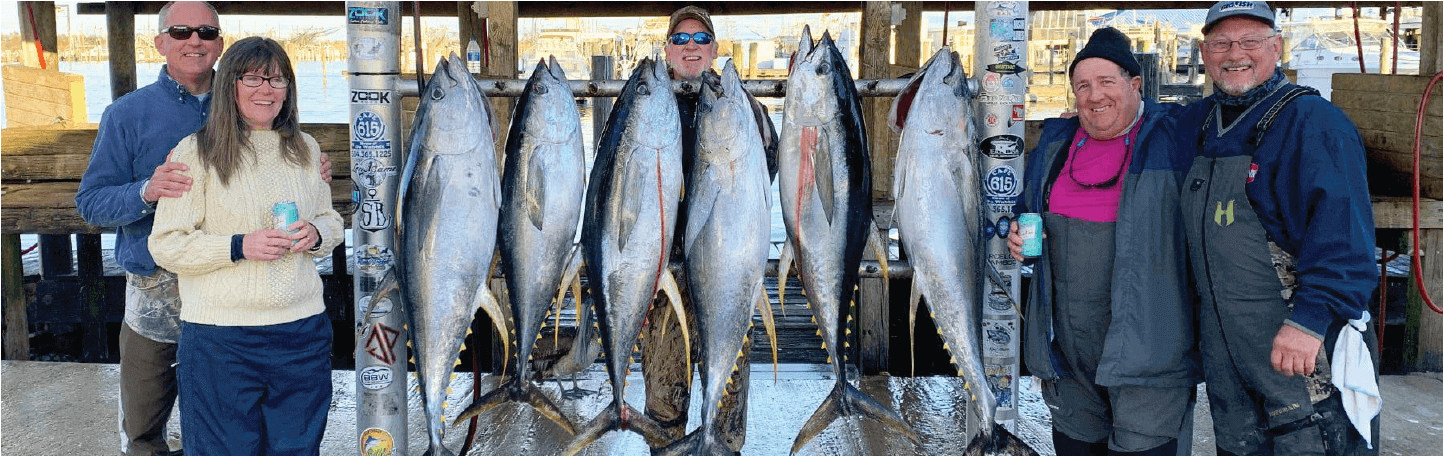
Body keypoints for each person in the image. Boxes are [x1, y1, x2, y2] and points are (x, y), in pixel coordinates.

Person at [1175, 2, 1381, 455]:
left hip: (1302, 344)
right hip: (1229, 350)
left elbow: (1345, 239)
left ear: (1277, 46)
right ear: (1205, 52)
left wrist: (1309, 321)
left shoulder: (1314, 123)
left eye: (1250, 42)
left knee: (1313, 442)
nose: (1235, 54)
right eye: (1222, 44)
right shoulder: (1200, 122)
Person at [1007, 27, 1199, 456]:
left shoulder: (1175, 136)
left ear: (1135, 85)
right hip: (1069, 356)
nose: (1095, 96)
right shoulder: (1056, 143)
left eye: (1107, 82)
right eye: (1083, 86)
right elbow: (1026, 204)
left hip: (1152, 354)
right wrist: (1018, 231)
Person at [148, 36, 343, 456]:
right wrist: (239, 246)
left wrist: (316, 234)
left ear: (289, 88)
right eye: (252, 78)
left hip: (302, 331)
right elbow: (166, 245)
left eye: (277, 79)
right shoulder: (194, 153)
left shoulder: (305, 150)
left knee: (297, 449)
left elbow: (331, 220)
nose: (266, 90)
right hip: (222, 339)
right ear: (229, 86)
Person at [639, 6, 775, 455]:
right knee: (663, 408)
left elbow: (768, 168)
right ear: (667, 50)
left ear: (714, 49)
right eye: (680, 39)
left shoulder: (737, 103)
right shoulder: (648, 102)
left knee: (728, 410)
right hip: (665, 282)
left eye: (700, 39)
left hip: (727, 270)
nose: (690, 47)